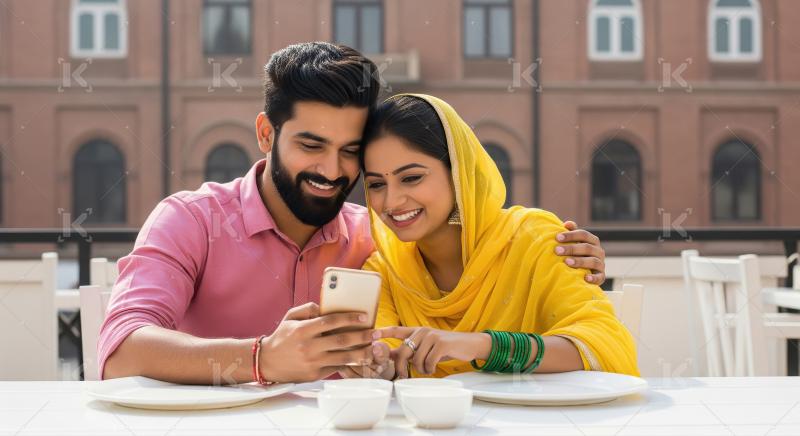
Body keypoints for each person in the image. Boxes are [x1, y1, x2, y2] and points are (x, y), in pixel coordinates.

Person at [99, 42, 609, 385]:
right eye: (311, 144)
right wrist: (260, 359)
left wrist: (571, 254)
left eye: (350, 151)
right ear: (266, 135)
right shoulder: (192, 221)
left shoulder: (381, 238)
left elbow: (469, 274)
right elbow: (121, 352)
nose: (330, 169)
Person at [345, 94, 637, 380]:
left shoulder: (536, 239)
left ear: (458, 172)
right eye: (376, 184)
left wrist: (479, 345)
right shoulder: (384, 269)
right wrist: (375, 365)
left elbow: (601, 347)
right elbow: (387, 351)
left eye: (411, 178)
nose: (392, 201)